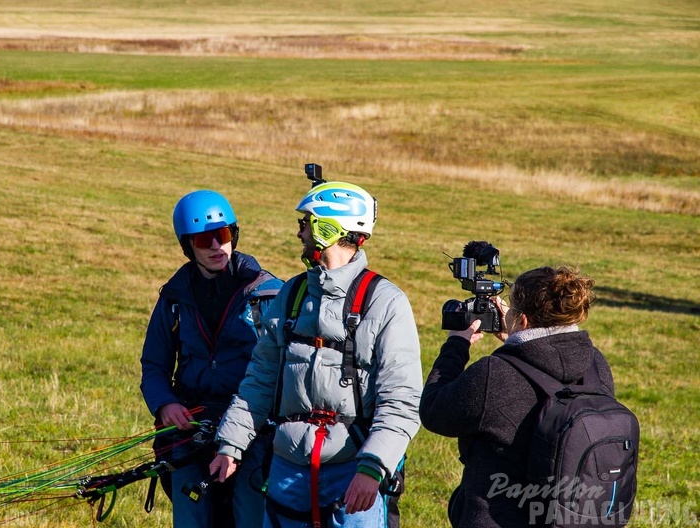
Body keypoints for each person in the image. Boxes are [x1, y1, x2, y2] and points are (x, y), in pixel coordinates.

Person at [209, 180, 422, 528]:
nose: (299, 233)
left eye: (305, 223)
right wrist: (231, 444)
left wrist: (373, 468)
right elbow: (260, 379)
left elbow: (402, 400)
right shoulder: (291, 294)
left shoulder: (386, 303)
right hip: (287, 473)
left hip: (354, 474)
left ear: (328, 228)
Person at [419, 266, 616, 528]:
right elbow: (547, 373)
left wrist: (456, 344)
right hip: (572, 517)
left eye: (510, 309)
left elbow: (434, 412)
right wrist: (516, 343)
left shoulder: (495, 373)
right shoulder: (595, 363)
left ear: (522, 320)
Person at [140, 189, 282, 528]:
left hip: (251, 429)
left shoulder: (268, 294)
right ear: (188, 246)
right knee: (192, 518)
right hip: (190, 429)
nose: (217, 247)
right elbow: (154, 366)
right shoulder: (174, 298)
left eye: (224, 235)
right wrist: (164, 405)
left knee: (250, 517)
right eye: (206, 240)